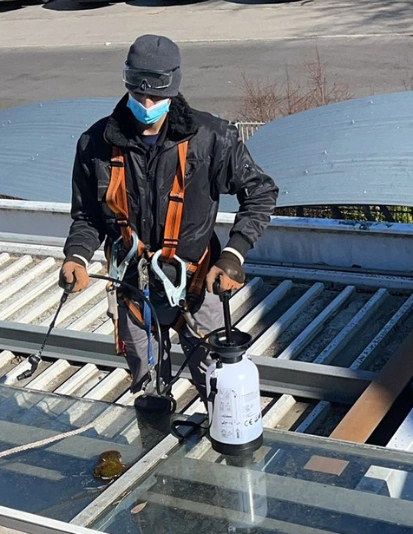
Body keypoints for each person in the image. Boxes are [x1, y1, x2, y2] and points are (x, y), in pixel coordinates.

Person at [59, 34, 278, 412]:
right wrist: (77, 256)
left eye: (156, 96)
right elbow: (88, 216)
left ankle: (221, 437)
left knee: (219, 382)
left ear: (173, 89)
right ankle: (156, 436)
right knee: (147, 390)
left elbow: (260, 193)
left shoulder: (211, 139)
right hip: (134, 287)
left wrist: (234, 255)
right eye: (138, 93)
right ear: (127, 82)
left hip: (198, 281)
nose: (146, 105)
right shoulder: (95, 144)